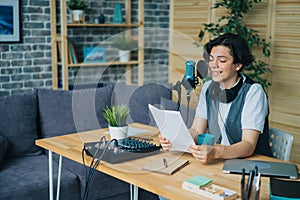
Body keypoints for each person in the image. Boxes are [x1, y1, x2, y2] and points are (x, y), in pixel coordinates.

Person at [159, 33, 272, 164]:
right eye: (211, 59)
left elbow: (248, 145)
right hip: (220, 161)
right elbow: (196, 130)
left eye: (222, 61)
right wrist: (175, 138)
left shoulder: (253, 91)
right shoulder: (208, 88)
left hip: (250, 165)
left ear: (238, 65)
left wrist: (216, 152)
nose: (214, 65)